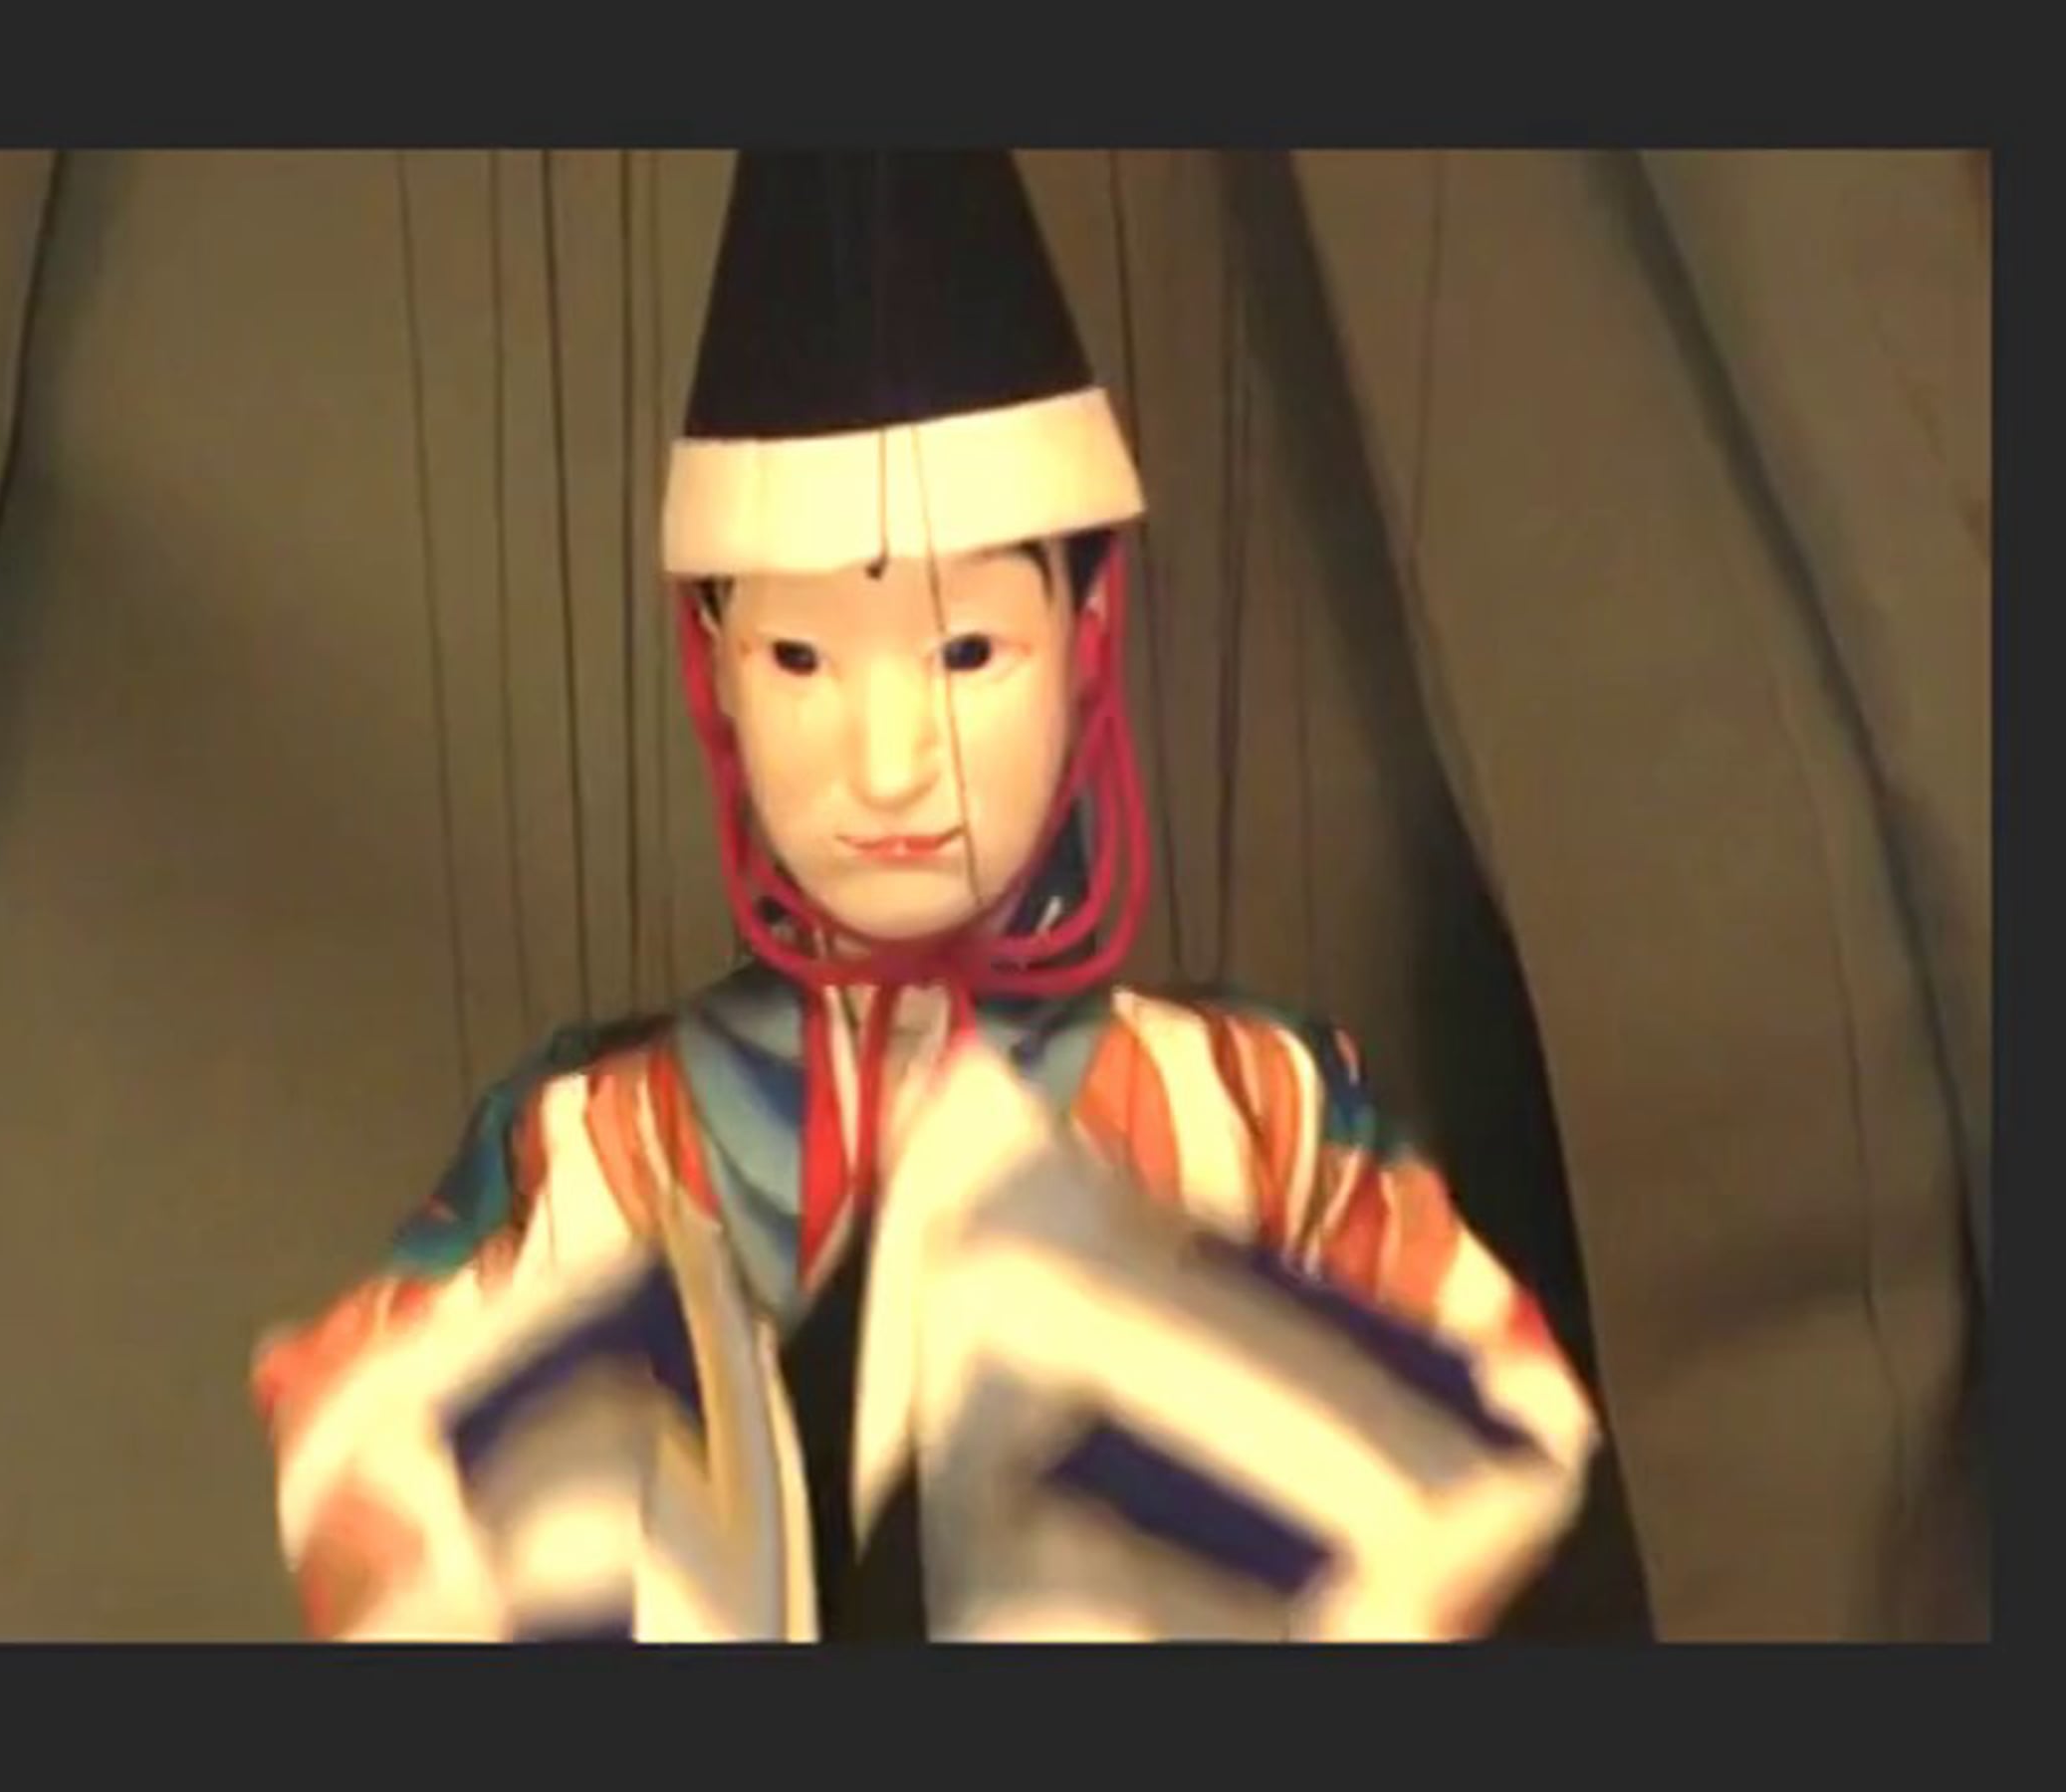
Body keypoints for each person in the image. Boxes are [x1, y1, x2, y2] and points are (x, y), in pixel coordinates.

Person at [250, 150, 1597, 1642]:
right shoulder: (593, 1145)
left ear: (1087, 637)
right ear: (714, 668)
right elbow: (364, 1488)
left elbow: (1503, 1440)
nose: (889, 765)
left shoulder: (1259, 1111)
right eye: (799, 658)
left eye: (966, 654)